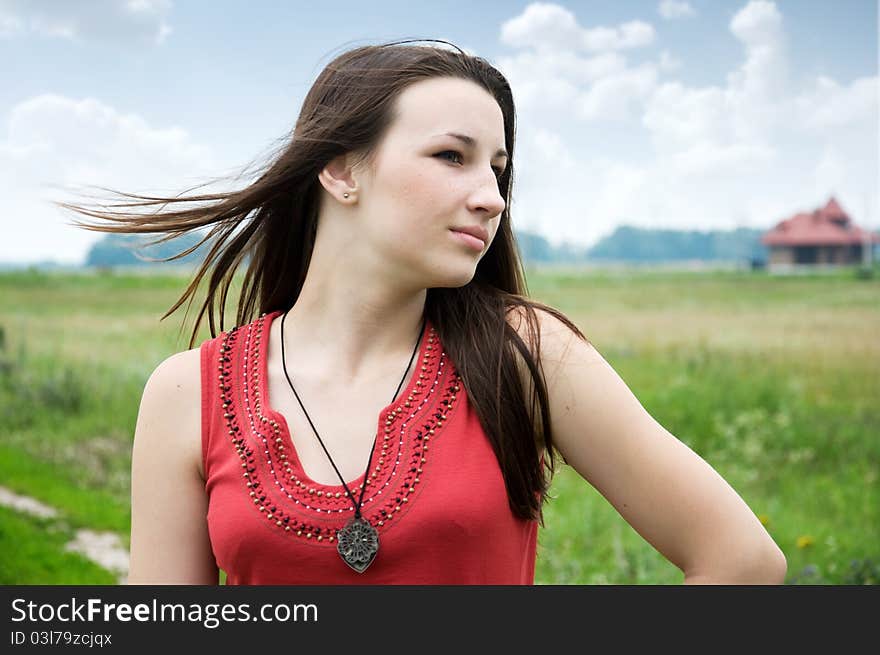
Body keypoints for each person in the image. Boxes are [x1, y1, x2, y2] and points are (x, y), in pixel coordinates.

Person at [62, 39, 786, 585]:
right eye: (452, 156)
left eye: (498, 170)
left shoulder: (526, 354)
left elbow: (743, 559)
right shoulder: (186, 393)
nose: (492, 196)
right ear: (342, 169)